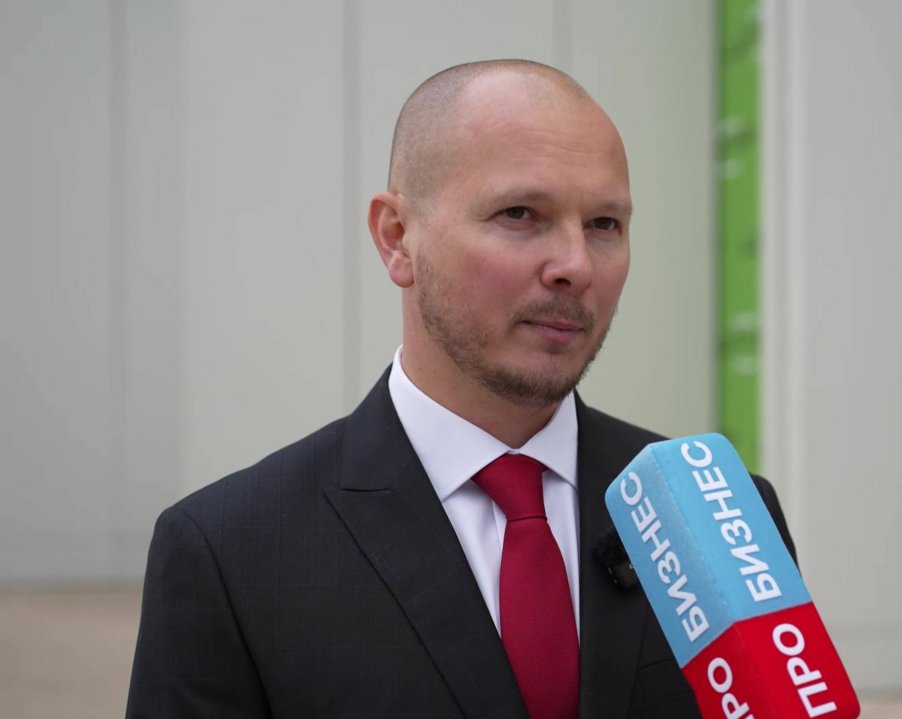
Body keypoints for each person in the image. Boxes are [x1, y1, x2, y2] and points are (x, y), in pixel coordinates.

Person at [125, 59, 794, 719]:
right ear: (397, 239)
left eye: (604, 225)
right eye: (520, 213)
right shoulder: (231, 553)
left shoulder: (720, 515)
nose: (576, 266)